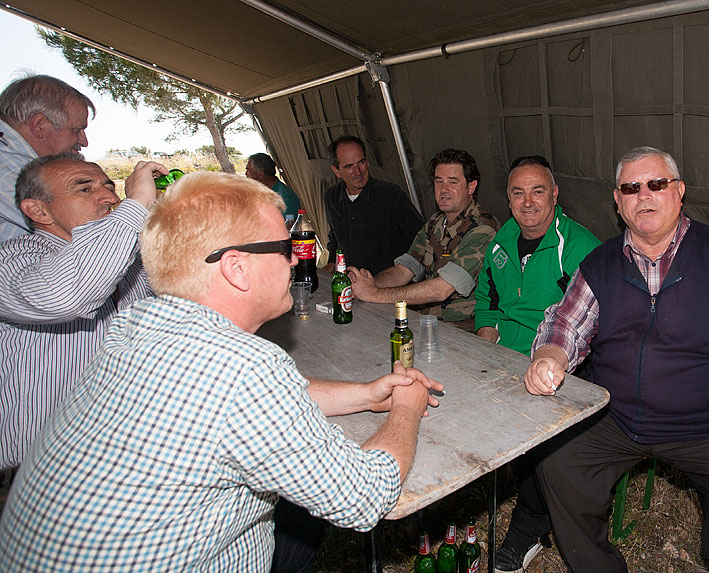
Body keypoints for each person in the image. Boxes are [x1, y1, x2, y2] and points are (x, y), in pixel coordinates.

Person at [0, 171, 443, 572]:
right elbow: (364, 496)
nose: (295, 261)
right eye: (284, 249)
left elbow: (233, 403)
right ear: (236, 268)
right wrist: (406, 406)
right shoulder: (245, 369)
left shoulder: (134, 325)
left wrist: (365, 394)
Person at [526, 146, 709, 571]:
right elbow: (564, 324)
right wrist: (549, 357)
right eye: (631, 188)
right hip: (617, 417)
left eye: (656, 184)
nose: (643, 195)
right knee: (556, 459)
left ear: (679, 192)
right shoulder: (600, 263)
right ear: (618, 201)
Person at [472, 155, 601, 572]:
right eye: (518, 192)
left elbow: (595, 324)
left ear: (555, 195)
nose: (528, 202)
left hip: (559, 363)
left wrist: (550, 363)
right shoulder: (502, 238)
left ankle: (529, 528)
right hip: (504, 354)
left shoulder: (578, 248)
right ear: (508, 199)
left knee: (541, 439)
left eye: (538, 191)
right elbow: (486, 299)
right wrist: (486, 342)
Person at [0, 153, 163, 471]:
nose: (110, 198)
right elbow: (64, 295)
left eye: (110, 187)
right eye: (85, 189)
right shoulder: (13, 261)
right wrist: (136, 206)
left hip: (120, 462)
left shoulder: (132, 262)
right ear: (39, 210)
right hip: (35, 473)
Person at [347, 148, 499, 329]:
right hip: (427, 320)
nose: (444, 190)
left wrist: (375, 294)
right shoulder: (435, 222)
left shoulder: (482, 228)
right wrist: (366, 285)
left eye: (452, 182)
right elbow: (405, 269)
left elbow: (442, 289)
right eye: (439, 181)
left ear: (471, 187)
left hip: (464, 328)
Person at [0, 75, 94, 241]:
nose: (84, 142)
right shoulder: (9, 170)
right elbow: (89, 237)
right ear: (39, 126)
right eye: (76, 130)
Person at [324, 135, 423, 274]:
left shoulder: (391, 196)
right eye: (349, 166)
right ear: (337, 171)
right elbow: (335, 238)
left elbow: (421, 239)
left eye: (361, 162)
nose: (358, 172)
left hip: (388, 282)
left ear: (368, 162)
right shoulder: (331, 197)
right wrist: (331, 263)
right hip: (349, 281)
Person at [246, 152, 301, 224]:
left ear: (260, 174)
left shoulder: (286, 197)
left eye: (248, 170)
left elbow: (286, 227)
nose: (246, 174)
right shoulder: (262, 194)